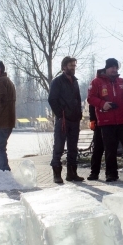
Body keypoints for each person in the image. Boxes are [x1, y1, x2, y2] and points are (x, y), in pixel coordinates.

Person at [87, 58, 123, 182]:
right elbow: (90, 98)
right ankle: (111, 174)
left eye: (116, 67)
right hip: (106, 122)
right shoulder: (97, 82)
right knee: (110, 149)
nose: (114, 70)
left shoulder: (121, 81)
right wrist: (103, 104)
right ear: (106, 68)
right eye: (112, 67)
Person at [47, 56, 84, 184]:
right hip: (63, 119)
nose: (73, 68)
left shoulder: (75, 82)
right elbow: (52, 99)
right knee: (59, 147)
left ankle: (72, 173)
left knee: (73, 148)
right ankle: (57, 174)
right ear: (64, 67)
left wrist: (79, 113)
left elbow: (78, 99)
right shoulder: (57, 81)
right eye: (71, 66)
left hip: (74, 119)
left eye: (74, 66)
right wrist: (60, 114)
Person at [87, 72, 105, 181]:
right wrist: (92, 119)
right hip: (99, 122)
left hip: (110, 122)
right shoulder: (96, 84)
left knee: (110, 149)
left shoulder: (110, 83)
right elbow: (91, 105)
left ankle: (111, 173)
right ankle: (94, 172)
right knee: (97, 148)